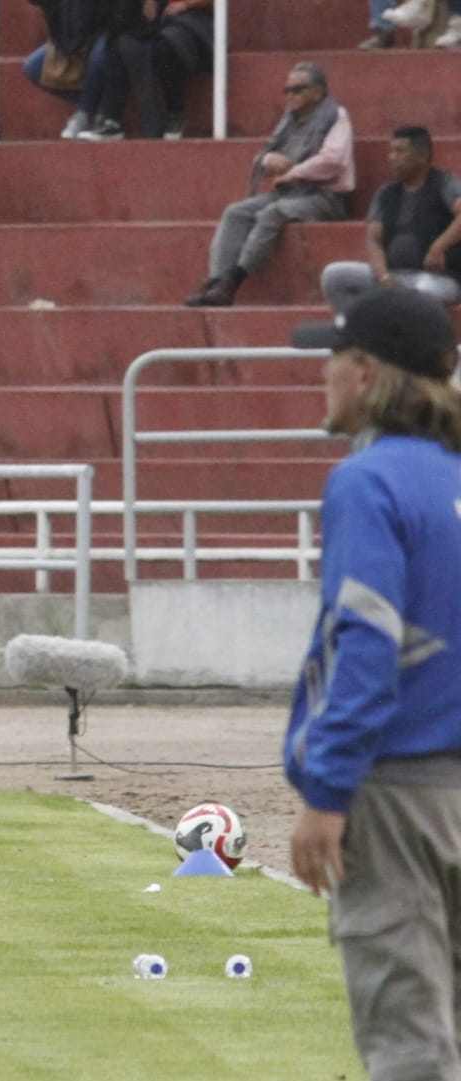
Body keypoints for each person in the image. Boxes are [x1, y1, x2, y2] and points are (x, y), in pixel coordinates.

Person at [286, 288, 461, 1081]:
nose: (322, 372)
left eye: (333, 355)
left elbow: (367, 641)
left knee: (408, 1040)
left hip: (397, 791)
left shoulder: (368, 482)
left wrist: (327, 791)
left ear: (364, 372)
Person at [184, 62, 354, 307]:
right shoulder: (289, 119)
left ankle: (233, 280)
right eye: (287, 90)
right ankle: (216, 280)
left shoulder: (336, 116)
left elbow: (334, 160)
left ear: (318, 92)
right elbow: (264, 154)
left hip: (323, 196)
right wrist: (268, 160)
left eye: (298, 89)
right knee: (236, 212)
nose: (290, 96)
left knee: (272, 213)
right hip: (289, 193)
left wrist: (294, 172)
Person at [320, 126, 461, 313]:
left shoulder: (444, 184)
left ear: (422, 155)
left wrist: (439, 247)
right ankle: (353, 334)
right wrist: (384, 277)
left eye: (400, 151)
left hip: (436, 278)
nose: (391, 157)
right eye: (391, 151)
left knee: (423, 292)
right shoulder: (386, 193)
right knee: (335, 276)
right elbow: (374, 240)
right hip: (392, 276)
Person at [78, 0, 214, 142]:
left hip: (192, 20)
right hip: (159, 19)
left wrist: (185, 5)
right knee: (119, 43)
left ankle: (175, 114)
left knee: (164, 48)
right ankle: (111, 121)